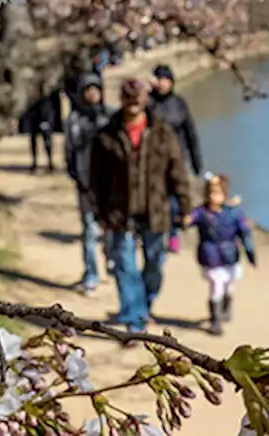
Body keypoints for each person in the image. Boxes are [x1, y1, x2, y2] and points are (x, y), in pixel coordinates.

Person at [89, 79, 191, 334]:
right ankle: (134, 321)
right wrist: (98, 211)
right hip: (119, 212)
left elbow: (177, 170)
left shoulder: (162, 132)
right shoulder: (106, 134)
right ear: (121, 99)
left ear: (145, 100)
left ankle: (144, 305)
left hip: (155, 210)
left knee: (155, 264)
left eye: (138, 97)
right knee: (125, 266)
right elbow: (96, 178)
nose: (133, 102)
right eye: (128, 97)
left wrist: (185, 206)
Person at [182, 173, 256, 336]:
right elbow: (187, 220)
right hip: (210, 256)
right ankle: (215, 320)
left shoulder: (234, 214)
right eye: (210, 192)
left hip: (230, 256)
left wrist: (250, 253)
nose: (213, 196)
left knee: (229, 285)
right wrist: (183, 220)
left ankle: (227, 305)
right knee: (216, 285)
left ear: (224, 194)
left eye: (217, 193)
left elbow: (245, 233)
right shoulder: (201, 212)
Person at [147, 65, 204, 253]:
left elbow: (190, 132)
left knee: (173, 201)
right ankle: (153, 232)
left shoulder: (179, 103)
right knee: (155, 198)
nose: (163, 84)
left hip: (177, 159)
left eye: (166, 80)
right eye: (159, 80)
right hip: (153, 160)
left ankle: (172, 234)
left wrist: (196, 160)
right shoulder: (148, 103)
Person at [64, 73, 111, 295]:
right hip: (85, 184)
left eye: (96, 89)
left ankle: (112, 264)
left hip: (110, 186)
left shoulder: (109, 118)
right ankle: (91, 273)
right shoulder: (74, 121)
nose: (92, 93)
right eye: (88, 89)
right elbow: (70, 153)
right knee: (90, 231)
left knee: (111, 231)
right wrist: (78, 177)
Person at [19, 87, 62, 173]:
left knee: (47, 143)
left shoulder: (48, 96)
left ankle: (50, 163)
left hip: (45, 119)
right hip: (34, 119)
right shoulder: (31, 95)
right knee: (34, 143)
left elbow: (51, 109)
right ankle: (34, 163)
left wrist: (48, 121)